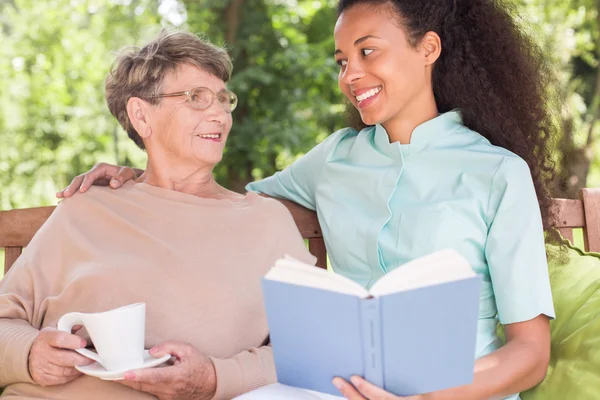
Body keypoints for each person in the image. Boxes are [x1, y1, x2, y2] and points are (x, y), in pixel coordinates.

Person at [60, 0, 559, 399]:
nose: (350, 75)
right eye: (343, 62)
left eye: (368, 52)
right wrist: (145, 174)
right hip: (337, 385)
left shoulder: (498, 173)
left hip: (456, 391)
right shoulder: (335, 158)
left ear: (428, 48)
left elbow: (530, 354)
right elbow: (224, 203)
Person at [0, 29, 316, 400]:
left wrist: (216, 378)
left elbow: (316, 347)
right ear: (141, 116)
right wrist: (29, 353)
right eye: (195, 98)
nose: (218, 113)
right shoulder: (86, 206)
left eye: (221, 98)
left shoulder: (266, 222)